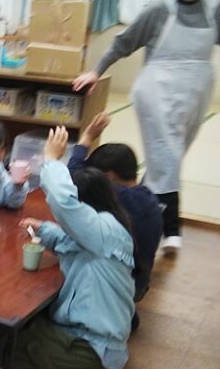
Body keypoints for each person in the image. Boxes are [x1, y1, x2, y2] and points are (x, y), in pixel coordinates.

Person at [73, 0, 220, 254]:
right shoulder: (159, 8)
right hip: (158, 90)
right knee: (166, 158)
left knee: (166, 161)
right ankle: (170, 228)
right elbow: (123, 42)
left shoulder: (213, 6)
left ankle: (133, 211)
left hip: (196, 92)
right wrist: (96, 71)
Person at [16, 126, 135, 369]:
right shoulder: (106, 228)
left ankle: (92, 367)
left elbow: (64, 203)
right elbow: (71, 241)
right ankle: (90, 367)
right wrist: (43, 229)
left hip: (92, 343)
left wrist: (50, 160)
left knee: (6, 350)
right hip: (92, 337)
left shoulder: (106, 231)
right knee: (24, 327)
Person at [68, 112, 162, 303]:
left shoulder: (119, 197)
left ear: (108, 177)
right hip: (139, 283)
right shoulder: (149, 197)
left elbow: (73, 179)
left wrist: (87, 138)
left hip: (120, 288)